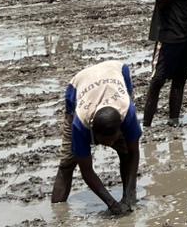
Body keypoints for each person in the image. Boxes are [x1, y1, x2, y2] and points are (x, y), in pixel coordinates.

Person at [51, 60, 141, 215]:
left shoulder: (127, 113)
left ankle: (128, 198)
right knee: (67, 164)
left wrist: (129, 195)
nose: (110, 145)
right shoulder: (80, 125)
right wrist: (111, 204)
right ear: (93, 134)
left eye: (113, 139)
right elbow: (86, 170)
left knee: (125, 151)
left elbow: (134, 153)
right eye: (105, 142)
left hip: (115, 71)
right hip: (79, 84)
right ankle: (58, 215)